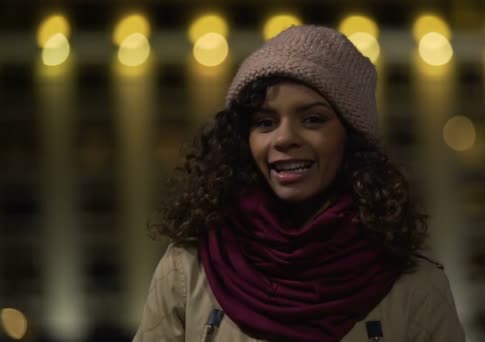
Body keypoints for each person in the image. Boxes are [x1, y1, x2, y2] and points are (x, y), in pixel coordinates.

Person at [133, 25, 465, 342]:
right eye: (265, 122)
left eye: (312, 119)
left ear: (351, 138)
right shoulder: (187, 270)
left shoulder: (415, 286)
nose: (285, 138)